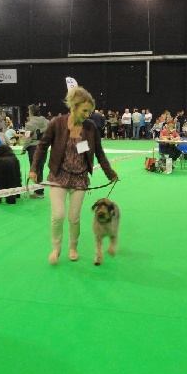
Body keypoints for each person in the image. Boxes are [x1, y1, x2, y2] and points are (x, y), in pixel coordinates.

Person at [29, 87, 118, 264]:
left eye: (89, 111)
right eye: (84, 110)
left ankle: (73, 247)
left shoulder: (90, 127)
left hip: (80, 178)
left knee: (74, 217)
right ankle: (56, 249)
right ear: (73, 107)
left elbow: (99, 152)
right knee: (58, 215)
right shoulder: (57, 123)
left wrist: (110, 173)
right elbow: (42, 146)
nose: (88, 114)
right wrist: (33, 168)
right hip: (58, 176)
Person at [21, 104, 49, 199]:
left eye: (29, 110)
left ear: (31, 112)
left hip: (34, 148)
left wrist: (24, 148)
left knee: (35, 170)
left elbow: (27, 138)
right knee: (40, 169)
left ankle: (39, 192)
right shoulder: (46, 121)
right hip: (44, 147)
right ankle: (39, 191)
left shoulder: (29, 124)